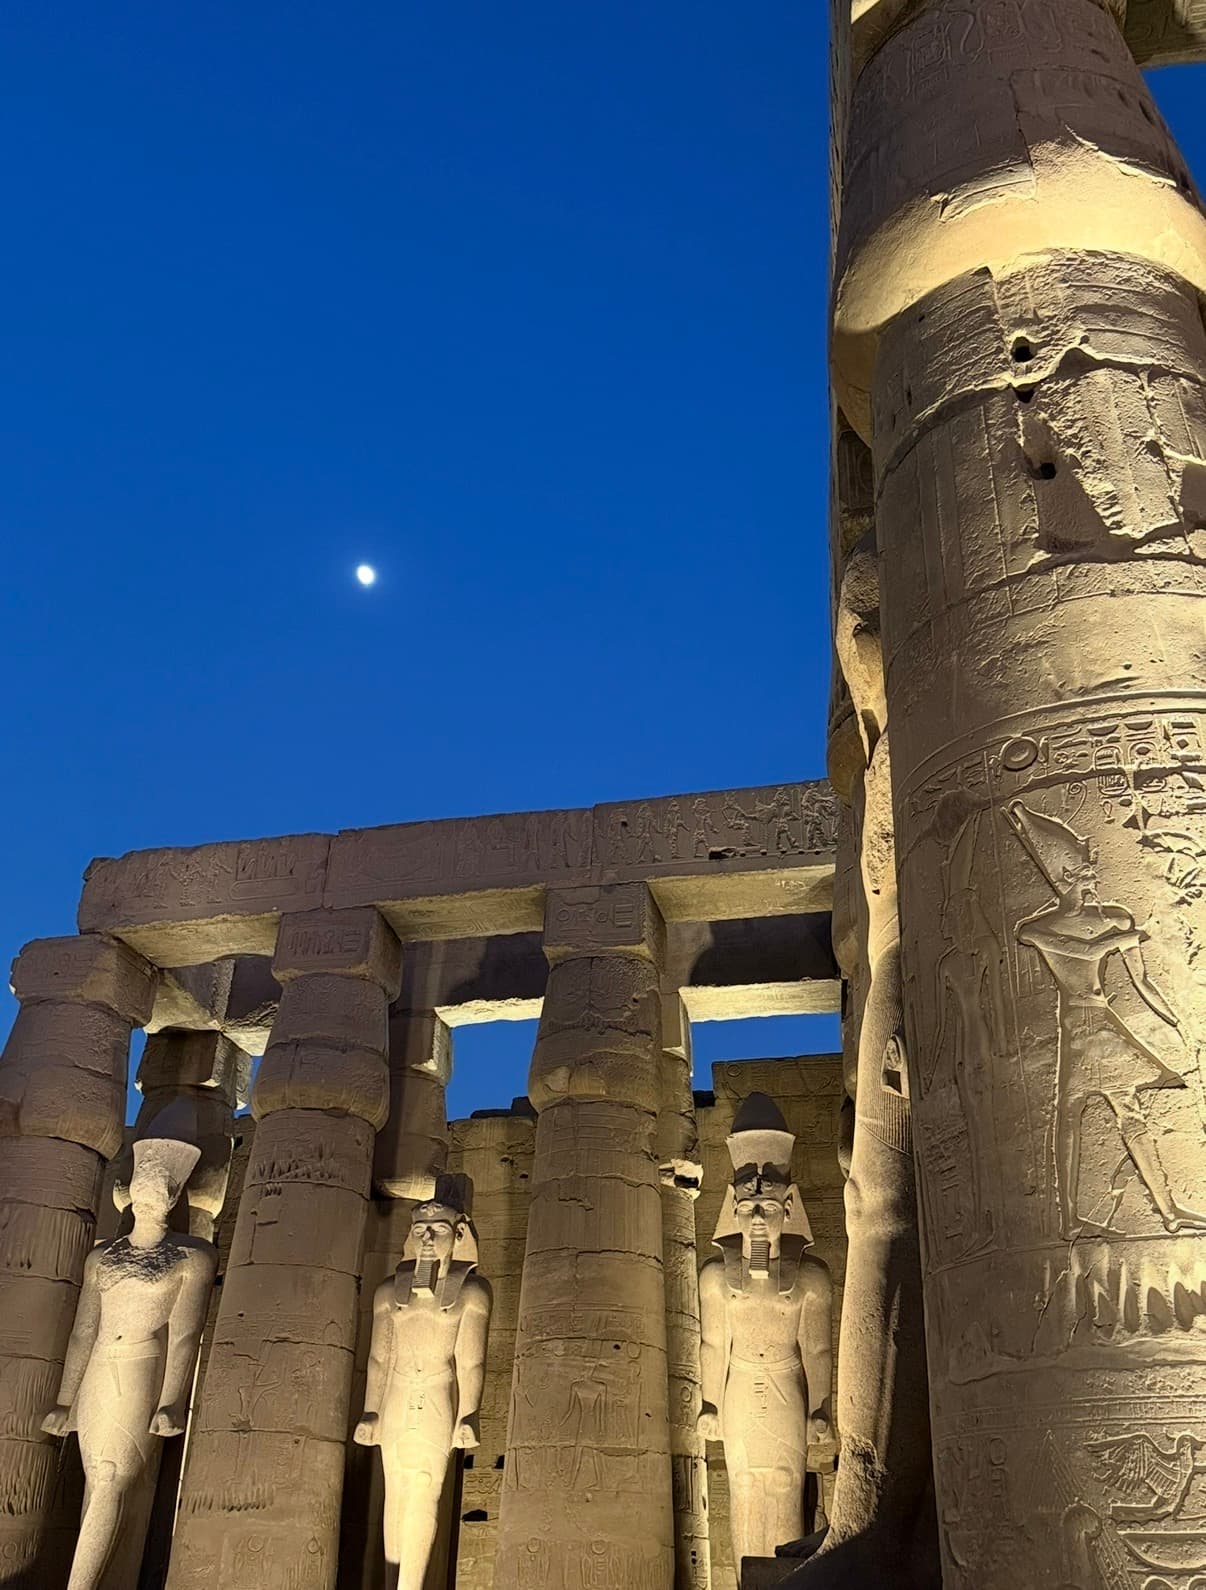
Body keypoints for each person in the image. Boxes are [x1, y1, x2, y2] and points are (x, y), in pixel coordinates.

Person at [42, 1138, 215, 1590]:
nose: (149, 1192)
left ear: (174, 1196)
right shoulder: (104, 1256)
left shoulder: (192, 1257)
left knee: (111, 1477)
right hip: (101, 1364)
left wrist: (173, 1401)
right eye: (144, 1182)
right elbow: (83, 1331)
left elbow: (183, 1334)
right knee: (93, 1477)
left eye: (160, 1186)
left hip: (142, 1366)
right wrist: (66, 1400)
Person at [697, 1093, 833, 1564]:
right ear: (732, 1209)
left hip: (784, 1383)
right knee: (742, 1483)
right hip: (738, 1385)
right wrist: (709, 1401)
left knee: (785, 1481)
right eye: (748, 1210)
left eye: (768, 1210)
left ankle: (786, 1578)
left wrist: (820, 1407)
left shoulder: (810, 1276)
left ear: (788, 1206)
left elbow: (816, 1349)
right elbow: (713, 1342)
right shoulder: (716, 1276)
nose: (757, 1221)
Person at [354, 1184, 492, 1590]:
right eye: (421, 1230)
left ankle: (410, 1585)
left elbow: (471, 1360)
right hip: (396, 1396)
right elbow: (379, 1358)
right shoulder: (388, 1292)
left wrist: (470, 1412)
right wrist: (370, 1410)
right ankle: (391, 1580)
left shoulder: (471, 1291)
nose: (428, 1238)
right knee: (395, 1492)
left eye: (439, 1229)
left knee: (424, 1489)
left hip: (436, 1395)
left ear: (460, 1234)